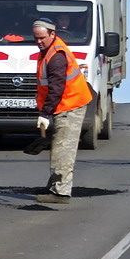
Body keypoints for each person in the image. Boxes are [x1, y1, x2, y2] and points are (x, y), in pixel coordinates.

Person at [32, 17, 93, 204]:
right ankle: (55, 185)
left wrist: (45, 113)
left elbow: (56, 88)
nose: (39, 42)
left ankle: (60, 192)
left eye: (42, 37)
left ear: (52, 34)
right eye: (36, 38)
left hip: (70, 105)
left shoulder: (56, 57)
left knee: (63, 149)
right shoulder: (49, 51)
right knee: (59, 147)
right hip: (65, 105)